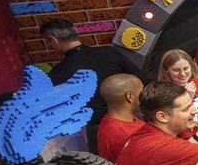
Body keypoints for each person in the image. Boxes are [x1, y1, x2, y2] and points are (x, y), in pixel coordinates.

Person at [40, 18, 144, 153]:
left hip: (97, 129)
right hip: (133, 119)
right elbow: (143, 80)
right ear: (75, 32)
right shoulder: (109, 53)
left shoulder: (57, 74)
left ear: (52, 40)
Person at [158, 49, 198, 125]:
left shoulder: (195, 82)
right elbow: (176, 123)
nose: (183, 74)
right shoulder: (165, 93)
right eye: (176, 70)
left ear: (191, 66)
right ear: (166, 70)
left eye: (186, 68)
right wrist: (188, 97)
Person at [96, 74, 145, 163]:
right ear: (130, 97)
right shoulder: (123, 135)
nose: (145, 95)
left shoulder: (118, 120)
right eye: (142, 91)